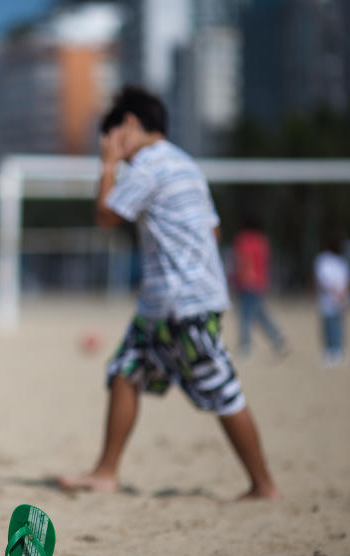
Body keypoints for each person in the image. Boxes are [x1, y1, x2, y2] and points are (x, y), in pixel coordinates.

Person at [58, 86, 279, 500]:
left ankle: (264, 485)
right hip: (164, 304)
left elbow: (106, 215)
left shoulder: (148, 165)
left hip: (184, 303)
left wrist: (107, 167)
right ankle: (106, 472)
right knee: (125, 373)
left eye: (111, 137)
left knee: (223, 390)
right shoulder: (186, 164)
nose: (113, 149)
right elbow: (212, 230)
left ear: (128, 125)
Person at [232, 212, 287, 358]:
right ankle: (277, 338)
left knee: (245, 316)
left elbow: (244, 261)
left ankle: (245, 345)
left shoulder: (243, 239)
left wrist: (243, 280)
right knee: (259, 314)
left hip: (247, 283)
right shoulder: (263, 240)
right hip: (261, 282)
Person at [314, 233, 349, 367]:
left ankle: (335, 350)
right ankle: (332, 350)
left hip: (330, 298)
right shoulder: (340, 261)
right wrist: (341, 293)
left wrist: (337, 292)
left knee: (332, 324)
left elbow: (322, 280)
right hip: (336, 297)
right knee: (333, 324)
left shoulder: (323, 260)